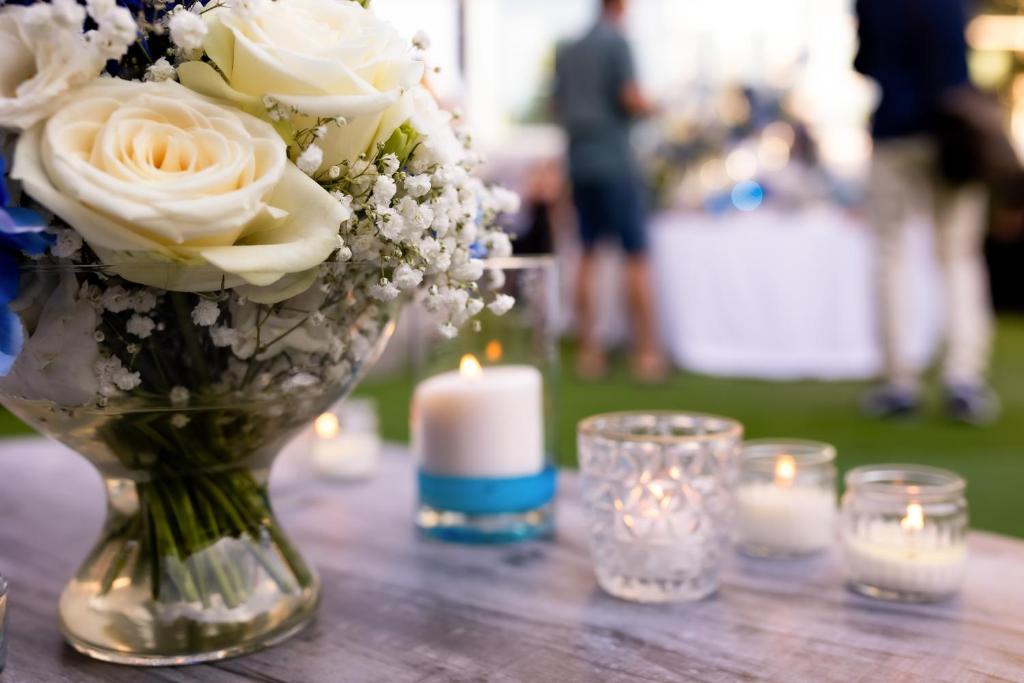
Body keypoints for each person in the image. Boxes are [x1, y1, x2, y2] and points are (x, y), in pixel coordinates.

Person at [855, 0, 999, 424]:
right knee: (957, 257)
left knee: (892, 254)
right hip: (950, 133)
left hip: (899, 133)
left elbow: (864, 61)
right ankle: (963, 379)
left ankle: (900, 382)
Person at [553, 0, 667, 381]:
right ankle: (647, 355)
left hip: (579, 163)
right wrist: (657, 108)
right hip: (616, 163)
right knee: (635, 255)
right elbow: (631, 98)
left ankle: (589, 352)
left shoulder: (567, 49)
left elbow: (558, 104)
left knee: (586, 254)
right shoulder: (618, 43)